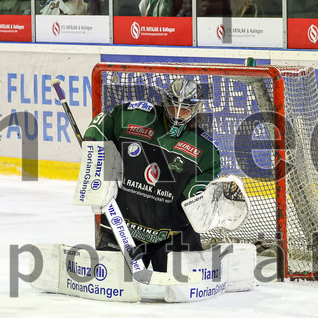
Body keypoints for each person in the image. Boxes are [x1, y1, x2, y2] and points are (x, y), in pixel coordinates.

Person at [74, 78, 222, 274]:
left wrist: (207, 204)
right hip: (122, 228)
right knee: (112, 282)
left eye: (185, 109)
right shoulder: (135, 117)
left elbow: (196, 195)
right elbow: (101, 126)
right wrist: (98, 166)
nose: (177, 114)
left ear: (197, 109)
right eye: (173, 107)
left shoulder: (206, 151)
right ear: (165, 102)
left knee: (183, 285)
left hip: (172, 234)